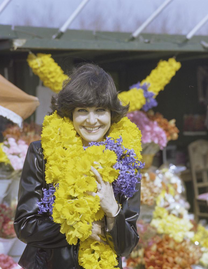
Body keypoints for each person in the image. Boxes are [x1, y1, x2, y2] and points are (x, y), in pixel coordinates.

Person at [14, 63, 141, 269]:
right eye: (82, 110)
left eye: (100, 110)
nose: (92, 120)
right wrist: (79, 229)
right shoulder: (42, 152)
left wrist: (112, 211)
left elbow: (127, 246)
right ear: (70, 113)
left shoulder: (125, 160)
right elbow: (25, 226)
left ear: (111, 114)